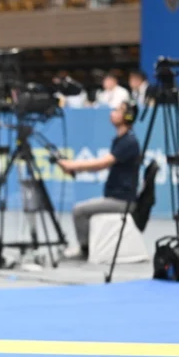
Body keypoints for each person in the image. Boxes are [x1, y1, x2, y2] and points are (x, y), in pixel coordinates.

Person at [58, 101, 141, 260]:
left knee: (79, 211)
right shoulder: (120, 139)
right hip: (114, 196)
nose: (112, 112)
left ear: (127, 116)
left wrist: (72, 165)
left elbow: (101, 164)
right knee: (81, 209)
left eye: (117, 110)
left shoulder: (128, 142)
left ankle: (85, 250)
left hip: (122, 201)